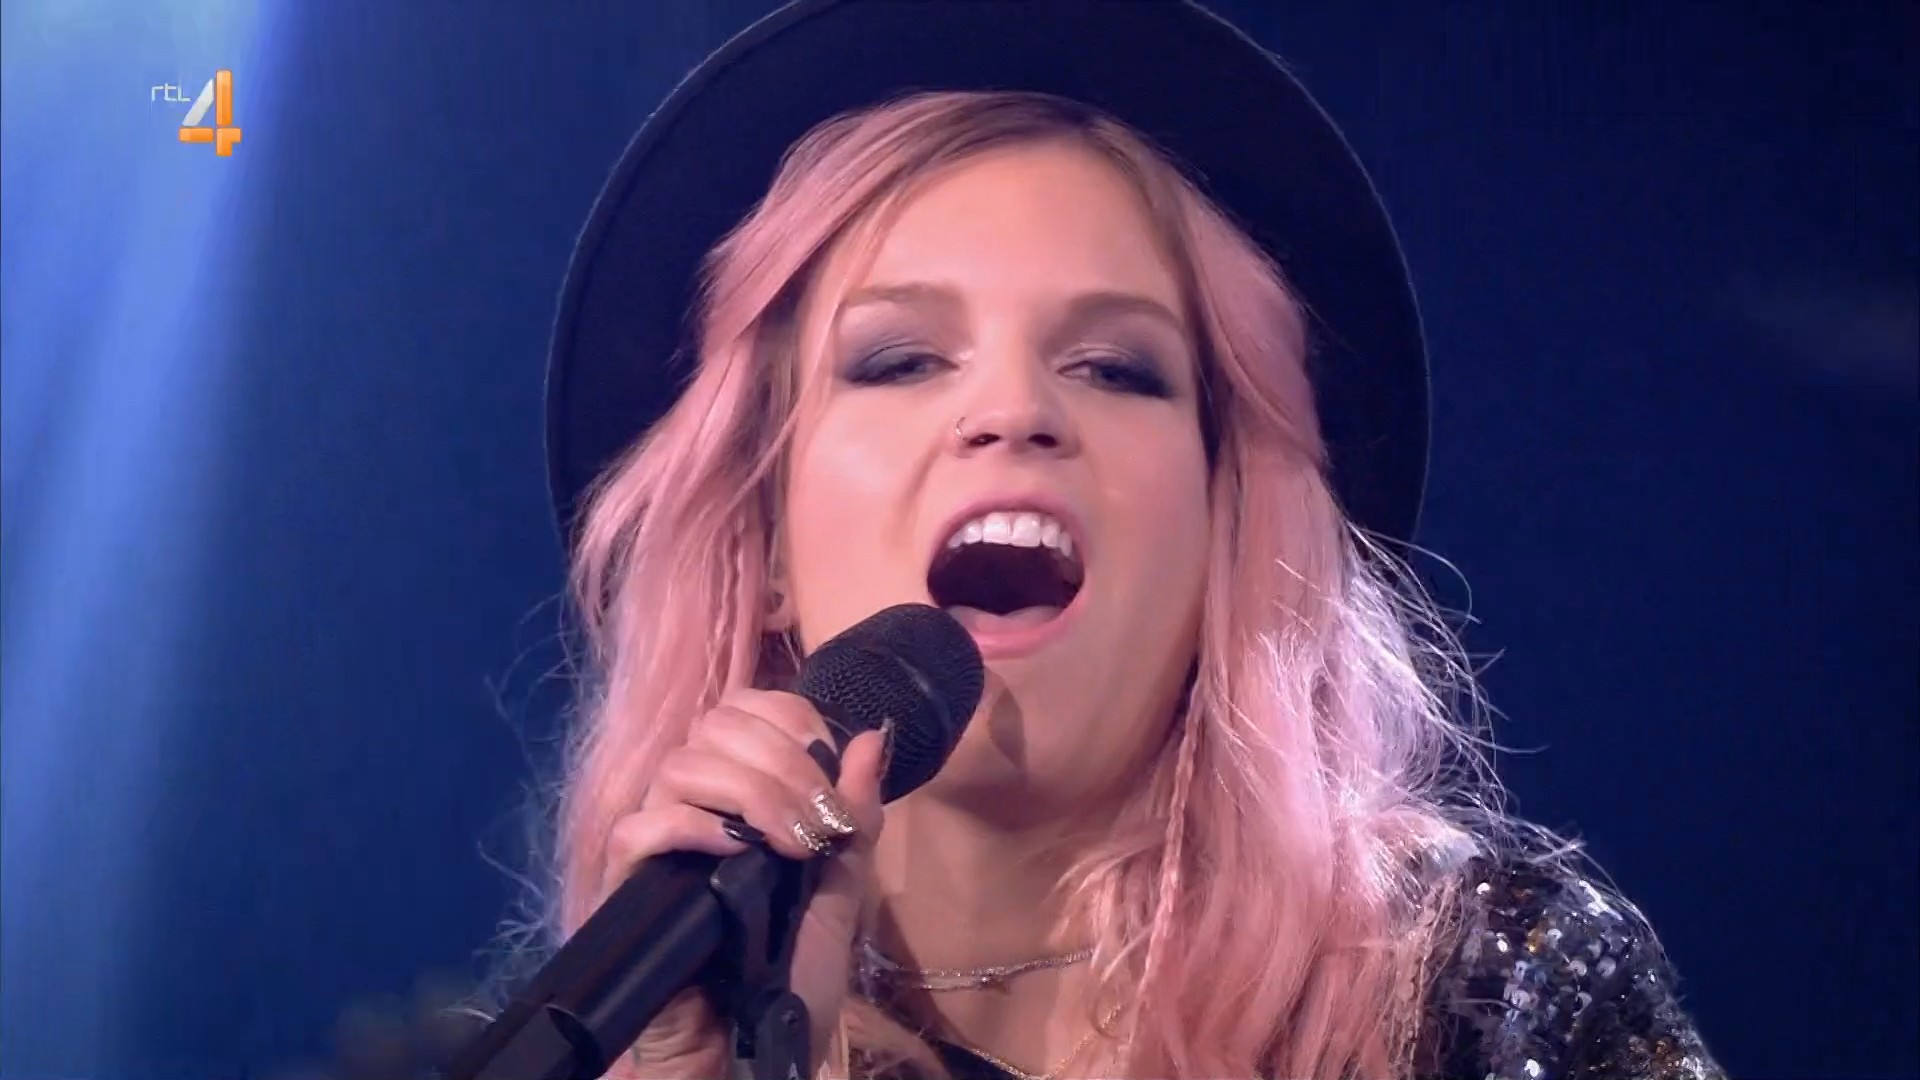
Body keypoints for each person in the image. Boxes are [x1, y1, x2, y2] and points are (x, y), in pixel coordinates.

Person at [523, 2, 1727, 1078]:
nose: (1012, 411)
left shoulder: (1475, 997)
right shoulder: (664, 1025)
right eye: (902, 360)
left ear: (1224, 535)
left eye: (1114, 367)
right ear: (767, 542)